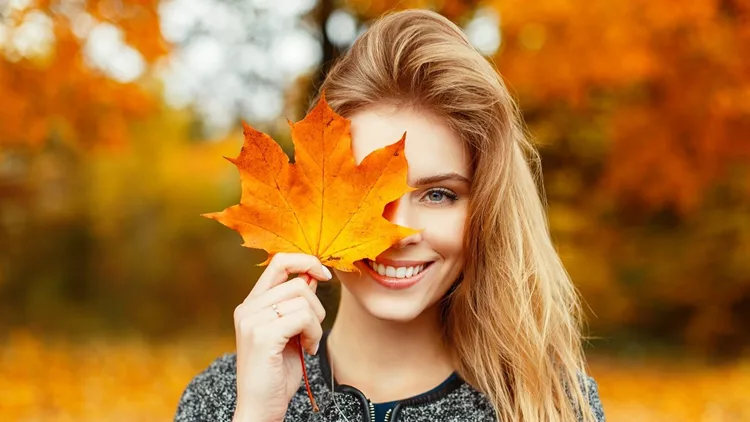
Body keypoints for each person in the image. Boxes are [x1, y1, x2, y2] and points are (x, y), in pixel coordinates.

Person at [175, 8, 605, 422]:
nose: (398, 233)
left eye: (439, 195)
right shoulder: (224, 397)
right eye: (369, 195)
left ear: (486, 209)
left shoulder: (553, 405)